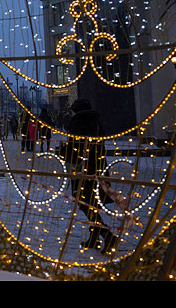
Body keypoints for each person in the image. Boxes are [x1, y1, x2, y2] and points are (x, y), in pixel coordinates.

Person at [60, 99, 118, 254]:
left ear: (77, 111)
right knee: (91, 203)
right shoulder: (95, 122)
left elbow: (76, 150)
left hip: (84, 171)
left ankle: (107, 234)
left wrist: (62, 151)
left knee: (84, 203)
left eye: (72, 111)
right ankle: (94, 237)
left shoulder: (79, 123)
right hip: (97, 168)